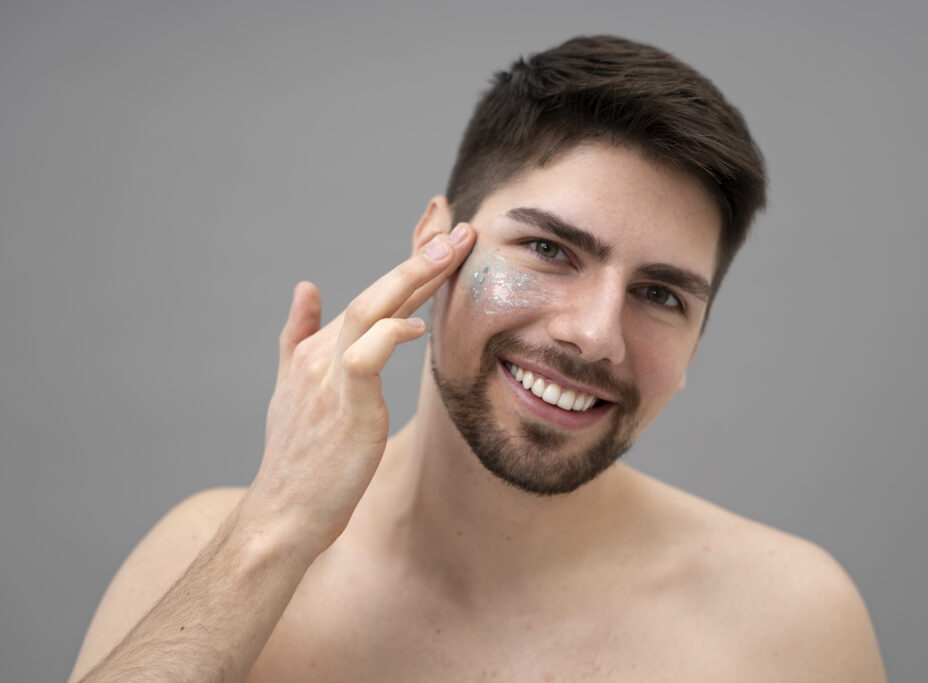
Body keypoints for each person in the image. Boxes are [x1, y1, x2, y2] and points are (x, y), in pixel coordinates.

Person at [69, 35, 886, 682]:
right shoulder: (211, 553)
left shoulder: (791, 623)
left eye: (663, 295)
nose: (596, 336)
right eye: (548, 248)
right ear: (436, 244)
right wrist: (275, 526)